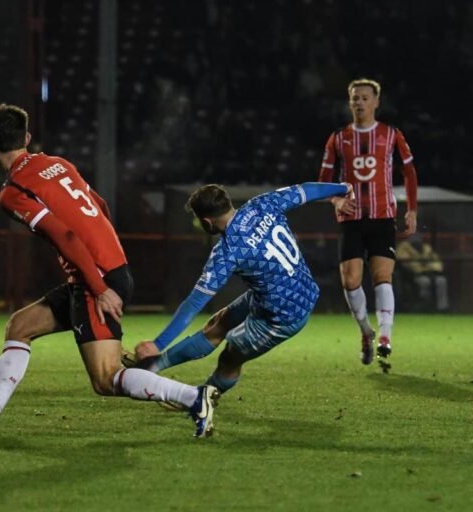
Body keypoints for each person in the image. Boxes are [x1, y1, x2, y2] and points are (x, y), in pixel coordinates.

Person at [0, 103, 217, 437]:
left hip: (95, 281)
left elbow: (64, 234)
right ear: (27, 137)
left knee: (105, 377)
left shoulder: (13, 193)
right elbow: (100, 206)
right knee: (20, 326)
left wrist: (100, 287)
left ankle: (193, 397)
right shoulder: (57, 164)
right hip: (105, 270)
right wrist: (108, 260)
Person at [126, 182, 353, 410]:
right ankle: (152, 367)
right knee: (218, 323)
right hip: (292, 291)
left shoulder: (227, 252)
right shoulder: (262, 204)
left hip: (282, 316)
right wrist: (342, 187)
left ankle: (199, 398)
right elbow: (307, 190)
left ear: (206, 222)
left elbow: (194, 303)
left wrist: (158, 343)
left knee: (230, 357)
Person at [319, 78, 418, 365]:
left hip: (382, 216)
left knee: (381, 276)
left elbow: (409, 173)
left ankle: (385, 336)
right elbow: (324, 181)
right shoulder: (338, 138)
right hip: (351, 218)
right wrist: (336, 200)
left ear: (376, 102)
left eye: (365, 98)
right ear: (349, 103)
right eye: (355, 98)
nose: (359, 102)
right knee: (350, 280)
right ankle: (366, 331)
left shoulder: (391, 135)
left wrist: (411, 210)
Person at [396, 233, 449, 312]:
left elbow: (437, 261)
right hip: (414, 275)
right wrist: (421, 268)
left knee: (441, 280)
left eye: (418, 239)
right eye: (414, 239)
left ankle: (442, 308)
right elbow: (406, 263)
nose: (417, 241)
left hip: (431, 273)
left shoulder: (426, 248)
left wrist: (433, 269)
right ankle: (426, 306)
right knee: (424, 282)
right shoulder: (403, 248)